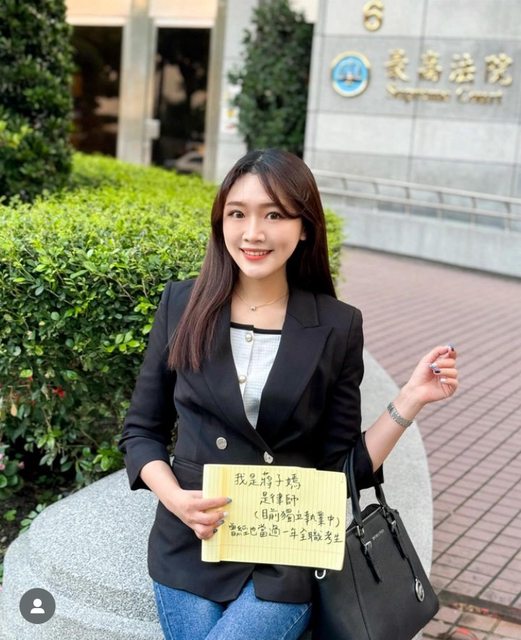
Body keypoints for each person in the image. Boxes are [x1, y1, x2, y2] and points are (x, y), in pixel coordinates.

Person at [118, 148, 458, 640]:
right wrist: (175, 499)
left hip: (286, 552)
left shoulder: (337, 326)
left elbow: (342, 467)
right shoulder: (181, 305)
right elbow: (141, 432)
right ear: (220, 223)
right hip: (192, 543)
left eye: (274, 215)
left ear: (304, 228)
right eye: (238, 214)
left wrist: (410, 399)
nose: (252, 233)